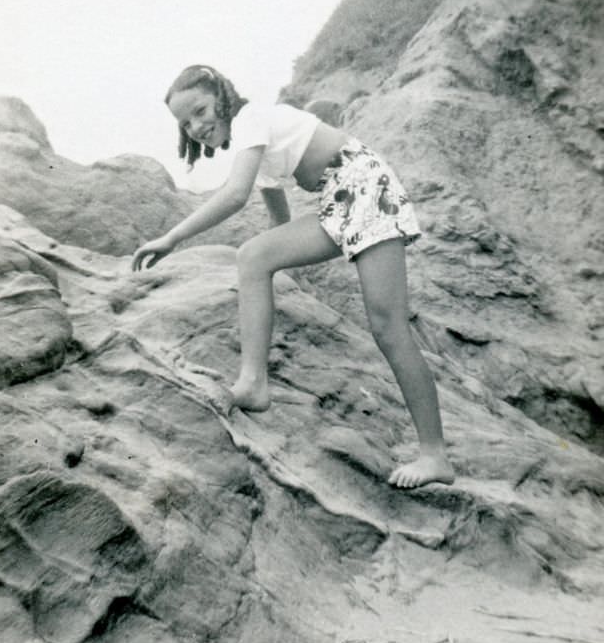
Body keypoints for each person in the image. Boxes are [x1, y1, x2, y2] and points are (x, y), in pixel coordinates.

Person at [132, 64, 454, 489]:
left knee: (389, 326)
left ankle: (435, 455)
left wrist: (172, 238)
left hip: (362, 185)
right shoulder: (254, 146)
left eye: (200, 110)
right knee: (254, 257)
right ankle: (253, 383)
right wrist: (270, 275)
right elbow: (278, 220)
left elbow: (234, 195)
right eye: (184, 122)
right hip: (342, 197)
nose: (196, 125)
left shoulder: (251, 120)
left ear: (223, 97)